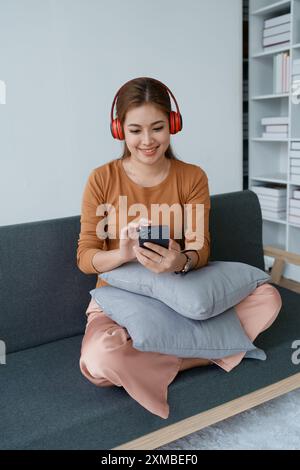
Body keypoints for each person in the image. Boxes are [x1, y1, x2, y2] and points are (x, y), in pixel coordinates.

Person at [77, 77, 282, 419]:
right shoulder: (102, 179)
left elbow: (200, 248)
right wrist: (123, 254)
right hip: (121, 302)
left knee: (268, 298)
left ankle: (156, 358)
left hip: (181, 299)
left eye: (157, 128)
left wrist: (180, 262)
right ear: (119, 130)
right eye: (135, 130)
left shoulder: (192, 177)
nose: (146, 141)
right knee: (98, 361)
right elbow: (85, 257)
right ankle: (211, 351)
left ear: (173, 125)